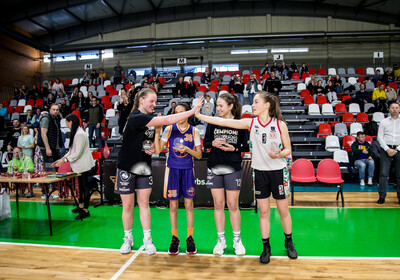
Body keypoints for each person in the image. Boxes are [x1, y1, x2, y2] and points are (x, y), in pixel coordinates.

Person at [195, 91, 297, 264]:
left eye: (257, 102)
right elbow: (222, 121)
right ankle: (266, 248)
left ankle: (289, 242)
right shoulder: (250, 123)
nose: (253, 105)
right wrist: (198, 115)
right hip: (260, 172)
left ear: (267, 105)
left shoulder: (280, 125)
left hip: (279, 171)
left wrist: (279, 153)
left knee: (283, 210)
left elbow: (288, 150)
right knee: (263, 212)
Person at [115, 88, 203, 255]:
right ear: (141, 100)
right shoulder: (136, 117)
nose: (154, 104)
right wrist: (192, 111)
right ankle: (128, 238)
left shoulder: (148, 120)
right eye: (152, 101)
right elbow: (168, 119)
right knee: (127, 205)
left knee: (144, 204)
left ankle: (147, 239)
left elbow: (149, 145)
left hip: (144, 166)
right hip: (127, 166)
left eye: (156, 101)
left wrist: (149, 148)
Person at [203, 93, 249, 256]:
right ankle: (220, 240)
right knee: (218, 204)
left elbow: (246, 147)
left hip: (233, 166)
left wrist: (234, 149)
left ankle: (237, 240)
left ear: (230, 106)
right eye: (217, 106)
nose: (218, 109)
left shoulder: (240, 123)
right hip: (214, 166)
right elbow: (205, 143)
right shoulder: (213, 123)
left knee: (233, 205)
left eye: (221, 106)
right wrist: (212, 143)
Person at [154, 103, 202, 255]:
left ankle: (189, 237)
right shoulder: (169, 129)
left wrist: (188, 150)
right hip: (172, 170)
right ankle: (174, 238)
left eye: (182, 112)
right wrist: (157, 132)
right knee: (173, 206)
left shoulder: (194, 131)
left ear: (188, 114)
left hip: (188, 170)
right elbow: (157, 150)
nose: (179, 115)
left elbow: (199, 155)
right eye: (177, 112)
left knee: (189, 205)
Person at [53, 114, 96, 220]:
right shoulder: (76, 133)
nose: (66, 124)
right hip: (78, 166)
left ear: (70, 122)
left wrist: (65, 160)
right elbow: (71, 151)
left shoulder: (80, 134)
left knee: (84, 187)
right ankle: (80, 206)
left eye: (67, 122)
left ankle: (85, 210)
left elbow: (77, 153)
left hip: (83, 165)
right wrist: (62, 158)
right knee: (80, 187)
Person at [377, 102, 400, 204]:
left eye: (396, 108)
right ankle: (382, 196)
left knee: (399, 175)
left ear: (399, 109)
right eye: (392, 108)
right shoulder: (383, 121)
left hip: (399, 149)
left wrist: (397, 149)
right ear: (389, 109)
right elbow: (380, 137)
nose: (394, 109)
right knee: (383, 174)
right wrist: (387, 149)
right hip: (386, 149)